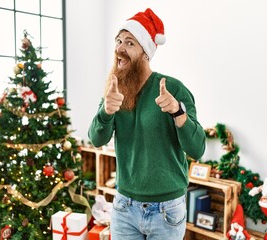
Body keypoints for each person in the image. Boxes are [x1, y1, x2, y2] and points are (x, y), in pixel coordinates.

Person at [88, 8, 206, 240]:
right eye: (119, 41)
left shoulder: (174, 89)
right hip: (124, 207)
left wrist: (177, 112)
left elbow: (197, 149)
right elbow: (96, 139)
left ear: (145, 53)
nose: (120, 49)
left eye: (130, 43)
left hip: (166, 210)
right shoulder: (115, 90)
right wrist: (106, 110)